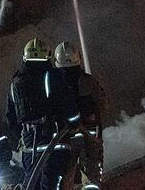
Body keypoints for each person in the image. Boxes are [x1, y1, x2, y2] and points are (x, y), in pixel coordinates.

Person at [7, 38, 80, 190]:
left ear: (25, 57)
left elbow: (11, 119)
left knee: (31, 185)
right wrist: (74, 123)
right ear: (47, 56)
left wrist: (24, 136)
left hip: (29, 149)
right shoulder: (53, 76)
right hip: (55, 144)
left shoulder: (15, 83)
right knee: (52, 186)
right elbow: (70, 107)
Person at [54, 42, 106, 188]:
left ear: (57, 61)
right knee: (92, 179)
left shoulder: (54, 83)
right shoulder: (88, 80)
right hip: (89, 136)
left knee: (64, 180)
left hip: (64, 138)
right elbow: (101, 104)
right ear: (78, 58)